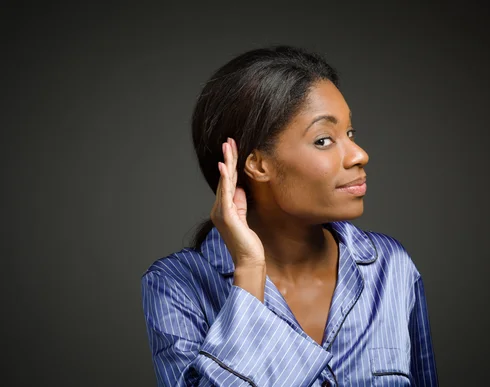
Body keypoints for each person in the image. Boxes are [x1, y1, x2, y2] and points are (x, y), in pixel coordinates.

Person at [141, 45, 439, 387]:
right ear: (257, 164)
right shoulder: (176, 285)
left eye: (350, 134)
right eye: (324, 140)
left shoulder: (392, 268)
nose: (359, 155)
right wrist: (250, 271)